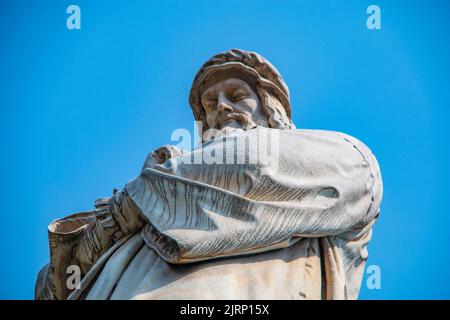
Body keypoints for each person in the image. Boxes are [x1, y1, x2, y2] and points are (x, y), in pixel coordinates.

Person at [35, 49, 382, 300]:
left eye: (236, 95)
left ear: (271, 110)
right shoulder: (148, 193)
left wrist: (130, 206)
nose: (221, 108)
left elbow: (253, 165)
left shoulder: (343, 156)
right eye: (211, 103)